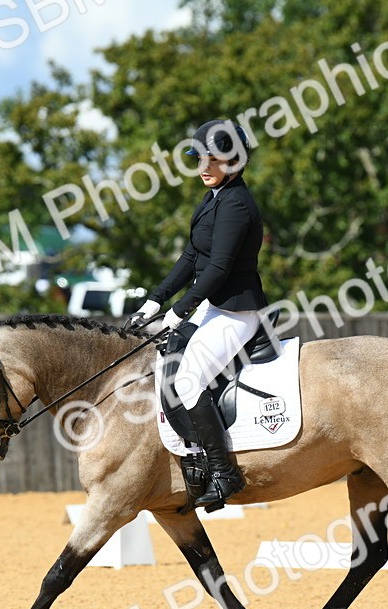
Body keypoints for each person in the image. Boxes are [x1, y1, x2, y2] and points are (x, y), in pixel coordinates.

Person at [125, 119, 268, 509]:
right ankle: (195, 459)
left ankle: (225, 473)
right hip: (213, 305)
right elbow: (192, 257)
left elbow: (219, 267)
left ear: (234, 161)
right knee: (165, 365)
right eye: (201, 158)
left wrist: (179, 311)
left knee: (188, 381)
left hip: (235, 310)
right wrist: (155, 301)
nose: (204, 166)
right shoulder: (215, 196)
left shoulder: (237, 204)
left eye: (212, 159)